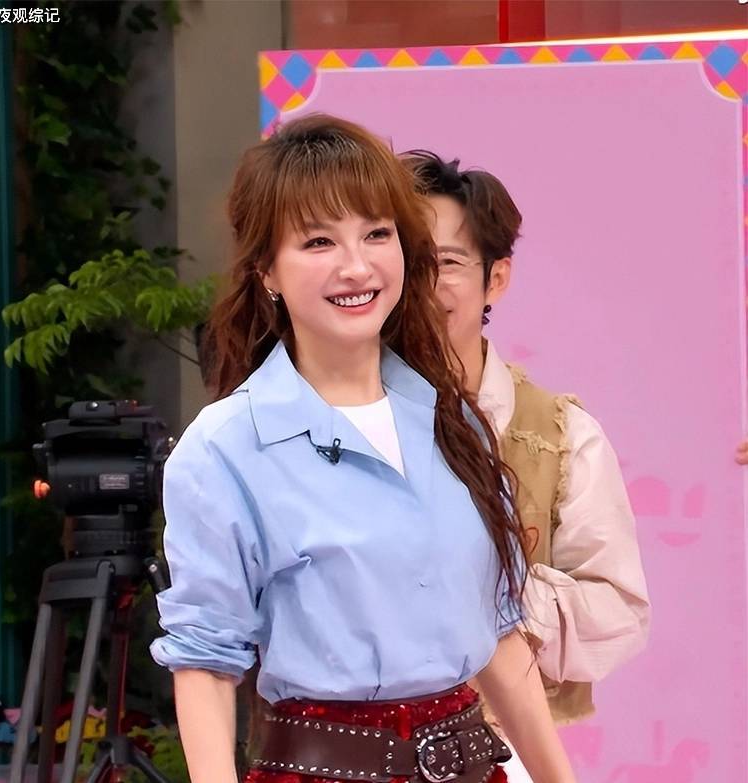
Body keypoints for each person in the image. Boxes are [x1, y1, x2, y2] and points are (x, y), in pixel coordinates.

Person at [151, 115, 577, 783]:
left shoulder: (452, 417)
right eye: (318, 241)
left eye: (377, 233)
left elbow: (498, 633)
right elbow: (206, 662)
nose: (356, 266)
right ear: (266, 269)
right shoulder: (224, 449)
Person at [404, 151, 650, 781]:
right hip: (354, 745)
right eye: (407, 260)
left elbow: (620, 613)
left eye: (447, 263)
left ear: (497, 278)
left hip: (505, 744)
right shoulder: (326, 420)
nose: (423, 285)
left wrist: (501, 594)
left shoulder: (561, 435)